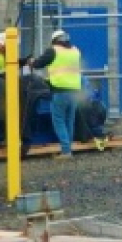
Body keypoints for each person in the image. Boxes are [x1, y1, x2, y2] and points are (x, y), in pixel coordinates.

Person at [28, 29, 82, 159]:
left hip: (60, 91)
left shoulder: (53, 50)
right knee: (69, 121)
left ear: (54, 40)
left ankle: (66, 151)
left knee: (59, 121)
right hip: (74, 90)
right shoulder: (75, 50)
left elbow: (38, 64)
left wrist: (31, 62)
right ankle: (68, 149)